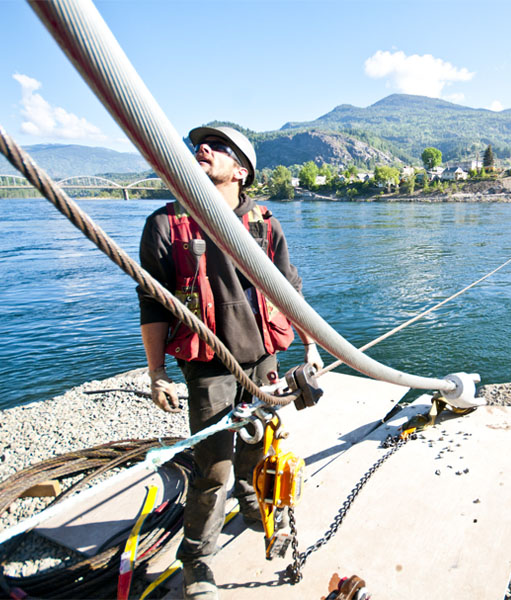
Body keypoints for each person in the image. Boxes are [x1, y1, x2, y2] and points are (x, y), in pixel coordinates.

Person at [137, 125, 322, 599]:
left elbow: (289, 290)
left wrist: (311, 346)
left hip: (263, 359)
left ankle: (252, 508)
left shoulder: (264, 225)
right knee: (213, 468)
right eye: (200, 143)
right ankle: (197, 563)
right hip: (208, 367)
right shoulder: (165, 225)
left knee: (260, 448)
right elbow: (153, 305)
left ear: (241, 171)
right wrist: (157, 373)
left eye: (219, 146)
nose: (203, 148)